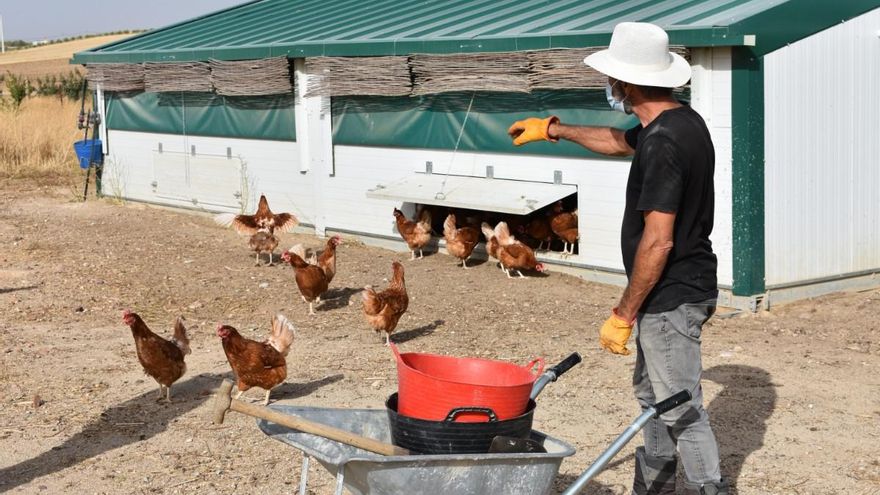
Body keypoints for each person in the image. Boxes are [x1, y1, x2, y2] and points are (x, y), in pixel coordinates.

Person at [507, 22, 727, 495]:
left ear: (625, 83)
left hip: (670, 293)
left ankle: (712, 489)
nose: (609, 86)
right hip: (670, 291)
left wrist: (624, 312)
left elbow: (659, 241)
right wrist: (554, 130)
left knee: (680, 407)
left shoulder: (666, 142)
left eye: (612, 78)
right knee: (653, 399)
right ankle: (652, 489)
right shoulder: (676, 122)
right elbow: (616, 141)